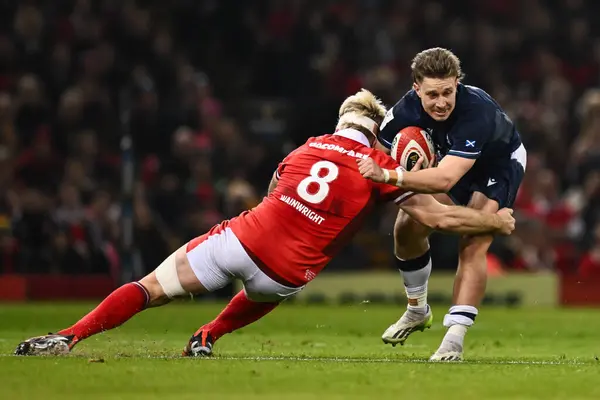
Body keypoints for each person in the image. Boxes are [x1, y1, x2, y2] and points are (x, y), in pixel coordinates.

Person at [14, 89, 515, 358]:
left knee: (150, 288)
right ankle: (208, 336)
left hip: (243, 240)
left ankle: (69, 336)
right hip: (287, 274)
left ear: (341, 121)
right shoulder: (378, 169)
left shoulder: (302, 148)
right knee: (261, 291)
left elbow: (275, 193)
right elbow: (439, 217)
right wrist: (492, 222)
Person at [365, 47, 527, 361]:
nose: (441, 103)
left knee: (473, 239)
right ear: (416, 89)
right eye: (433, 95)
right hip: (449, 163)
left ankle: (454, 338)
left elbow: (443, 180)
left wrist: (390, 175)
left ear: (458, 83)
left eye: (448, 92)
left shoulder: (475, 112)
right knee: (407, 225)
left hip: (496, 167)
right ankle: (417, 309)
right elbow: (375, 153)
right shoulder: (403, 112)